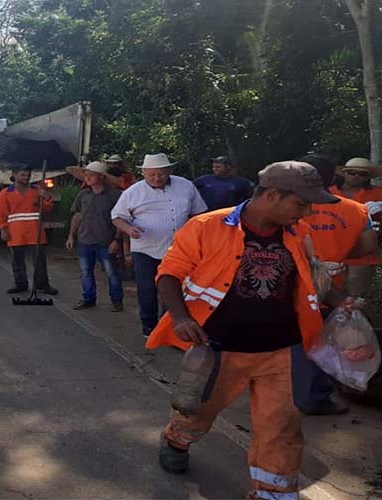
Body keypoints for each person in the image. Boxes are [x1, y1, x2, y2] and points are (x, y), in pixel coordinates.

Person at [146, 161, 340, 500]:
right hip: (220, 348)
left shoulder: (298, 234)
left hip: (279, 350)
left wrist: (343, 301)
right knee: (196, 415)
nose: (306, 212)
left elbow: (312, 276)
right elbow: (169, 274)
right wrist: (180, 317)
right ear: (273, 196)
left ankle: (273, 492)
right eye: (301, 203)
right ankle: (177, 439)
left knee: (281, 427)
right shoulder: (206, 226)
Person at [294, 154, 379, 415]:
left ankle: (299, 392)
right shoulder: (356, 209)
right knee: (325, 337)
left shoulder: (290, 204)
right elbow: (368, 245)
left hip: (294, 284)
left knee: (298, 336)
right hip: (332, 283)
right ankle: (316, 395)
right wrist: (337, 257)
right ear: (334, 177)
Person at [111, 153, 207, 337]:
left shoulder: (185, 186)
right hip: (145, 249)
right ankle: (149, 326)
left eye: (161, 174)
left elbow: (199, 214)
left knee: (174, 290)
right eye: (152, 174)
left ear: (169, 171)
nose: (157, 178)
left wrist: (197, 238)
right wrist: (129, 229)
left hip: (178, 250)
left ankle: (169, 326)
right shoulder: (133, 192)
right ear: (144, 173)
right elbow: (117, 217)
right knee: (147, 289)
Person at [329, 157, 382, 297]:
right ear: (344, 174)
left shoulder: (380, 193)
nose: (356, 177)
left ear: (368, 177)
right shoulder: (328, 193)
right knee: (328, 296)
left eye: (362, 174)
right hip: (330, 251)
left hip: (364, 251)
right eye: (352, 173)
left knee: (356, 297)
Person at [65, 162, 124, 311]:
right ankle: (88, 298)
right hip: (85, 239)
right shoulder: (83, 195)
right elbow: (77, 215)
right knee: (85, 272)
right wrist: (71, 235)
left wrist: (117, 240)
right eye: (86, 175)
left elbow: (121, 219)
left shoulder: (115, 195)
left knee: (112, 273)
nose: (87, 178)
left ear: (101, 177)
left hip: (106, 240)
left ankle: (117, 300)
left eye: (91, 175)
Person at [0, 165, 58, 295]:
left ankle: (42, 284)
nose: (26, 178)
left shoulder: (37, 190)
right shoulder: (5, 193)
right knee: (17, 260)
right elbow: (1, 214)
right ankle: (20, 284)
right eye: (22, 175)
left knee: (39, 260)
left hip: (35, 230)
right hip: (16, 232)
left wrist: (46, 197)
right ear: (14, 175)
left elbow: (47, 208)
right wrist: (3, 229)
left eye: (28, 175)